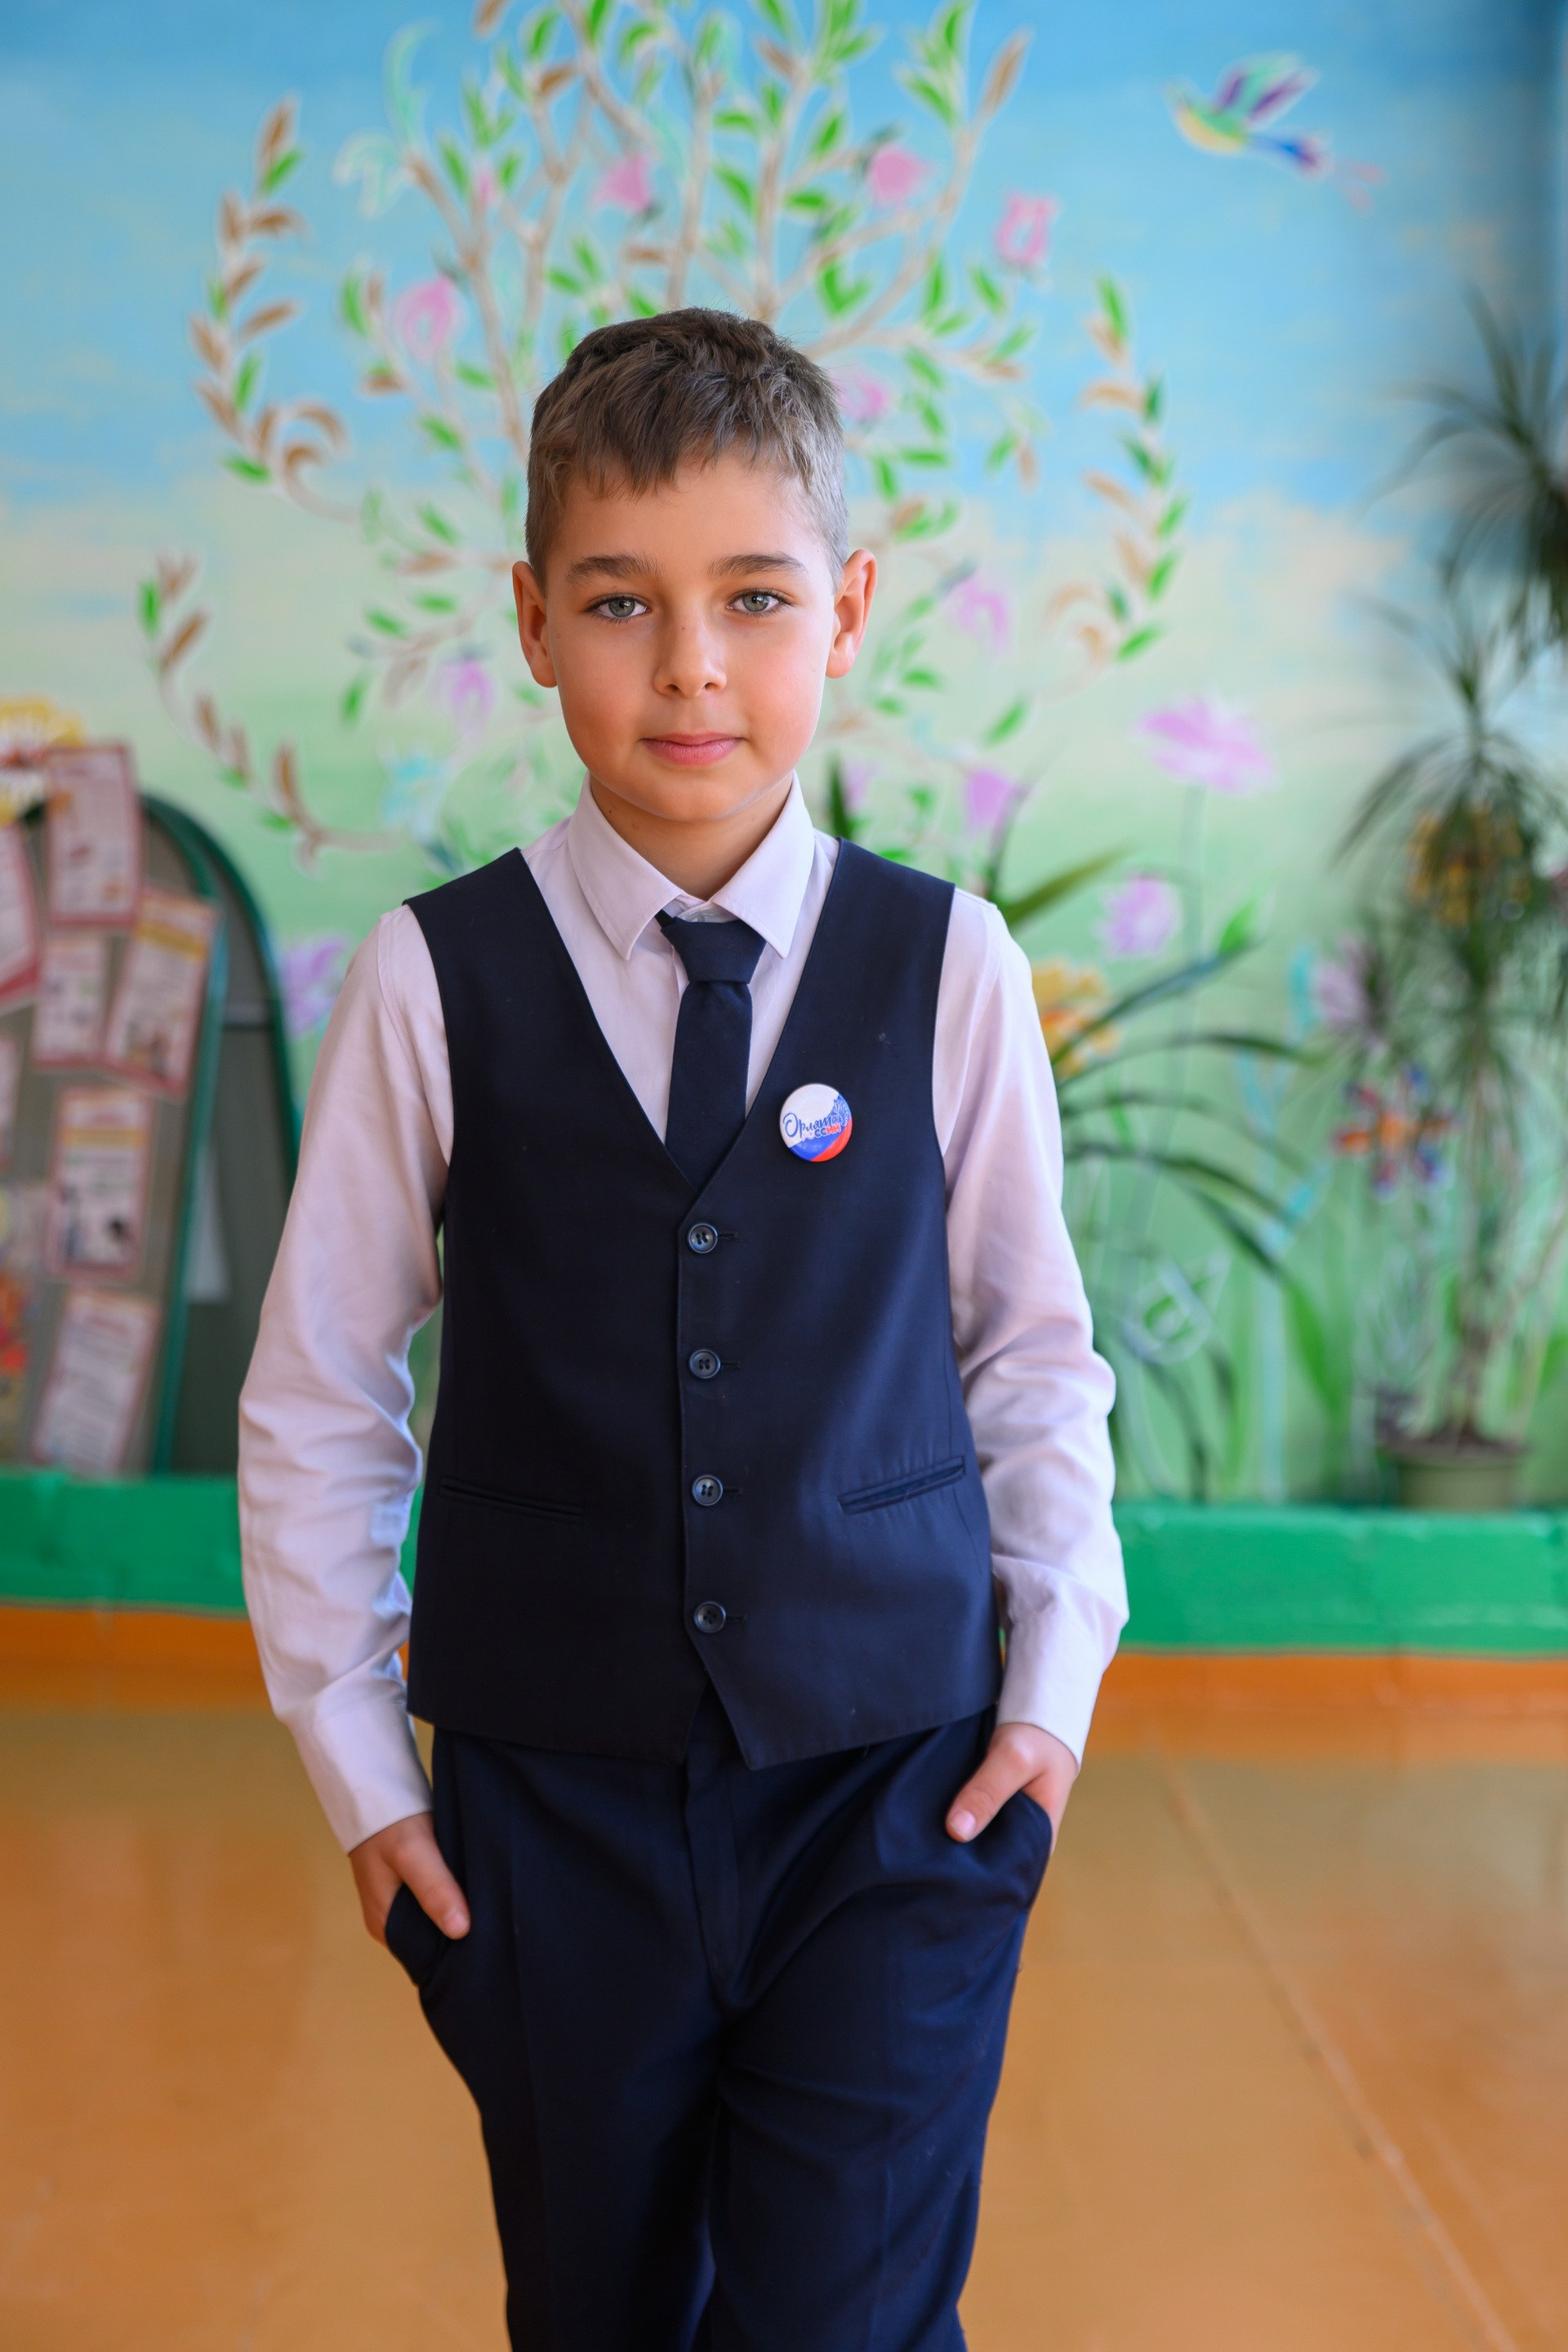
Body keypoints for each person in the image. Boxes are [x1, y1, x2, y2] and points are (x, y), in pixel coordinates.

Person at [239, 307, 1125, 2351]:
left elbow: (1029, 1352)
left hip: (896, 1787)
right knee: (601, 2308)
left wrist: (1053, 1695)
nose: (692, 666)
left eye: (756, 598)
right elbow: (321, 1389)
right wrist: (362, 1768)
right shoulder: (434, 977)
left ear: (850, 609)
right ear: (535, 621)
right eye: (623, 601)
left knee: (849, 2321)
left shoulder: (950, 965)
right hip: (550, 1811)